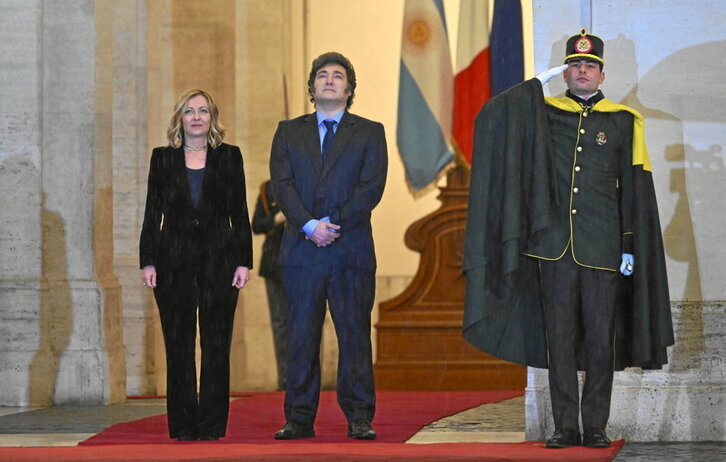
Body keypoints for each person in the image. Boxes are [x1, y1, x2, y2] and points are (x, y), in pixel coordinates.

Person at [462, 30, 673, 449]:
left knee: (600, 341)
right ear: (565, 71)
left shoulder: (622, 121)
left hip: (602, 246)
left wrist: (628, 245)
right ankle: (565, 427)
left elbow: (632, 187)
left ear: (601, 74)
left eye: (589, 65)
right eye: (574, 65)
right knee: (557, 339)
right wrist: (539, 79)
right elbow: (493, 114)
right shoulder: (543, 112)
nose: (581, 70)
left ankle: (595, 425)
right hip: (552, 246)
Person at [269, 51, 388, 440]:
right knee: (301, 337)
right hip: (302, 252)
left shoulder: (370, 132)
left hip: (349, 249)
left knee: (353, 336)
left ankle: (359, 417)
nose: (330, 80)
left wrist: (331, 225)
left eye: (338, 76)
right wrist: (308, 225)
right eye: (322, 75)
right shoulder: (288, 131)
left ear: (349, 88)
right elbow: (281, 185)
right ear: (312, 87)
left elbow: (371, 188)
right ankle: (299, 418)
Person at [139, 89, 253, 441]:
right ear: (180, 119)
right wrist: (148, 261)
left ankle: (212, 425)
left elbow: (240, 212)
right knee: (179, 343)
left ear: (212, 118)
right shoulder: (162, 159)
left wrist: (243, 262)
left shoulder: (230, 157)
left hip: (220, 259)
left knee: (217, 344)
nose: (197, 117)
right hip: (172, 260)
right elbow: (151, 213)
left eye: (203, 111)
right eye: (190, 111)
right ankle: (185, 425)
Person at [251, 179, 289, 390]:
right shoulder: (268, 188)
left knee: (307, 322)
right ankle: (285, 379)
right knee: (280, 323)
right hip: (274, 262)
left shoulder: (310, 180)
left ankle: (306, 379)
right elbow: (257, 225)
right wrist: (277, 218)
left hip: (303, 263)